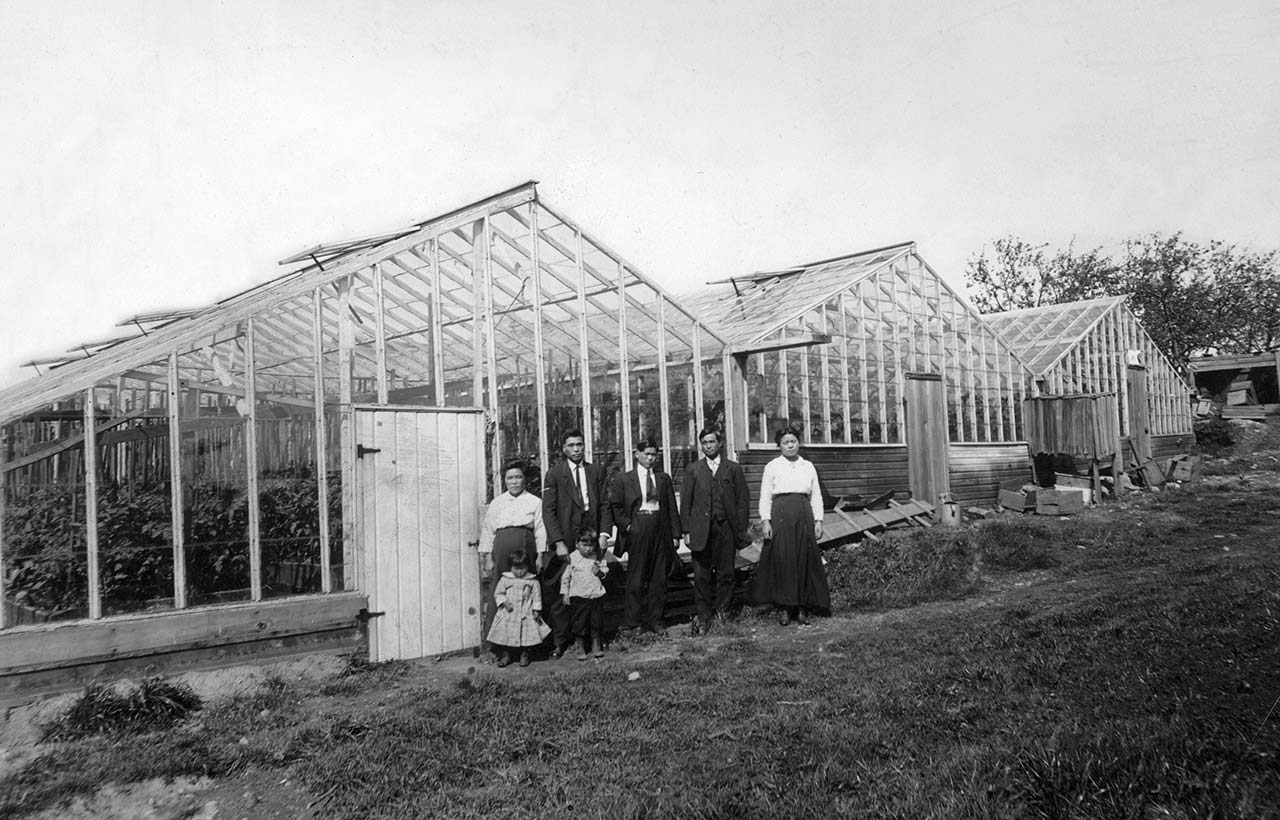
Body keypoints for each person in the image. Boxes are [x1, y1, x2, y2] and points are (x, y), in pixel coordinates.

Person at [541, 429, 613, 658]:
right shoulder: (554, 474)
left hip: (590, 538)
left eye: (579, 444)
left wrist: (603, 534)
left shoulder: (595, 471)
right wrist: (559, 542)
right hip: (566, 538)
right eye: (571, 445)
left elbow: (604, 504)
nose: (576, 449)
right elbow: (548, 511)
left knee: (592, 587)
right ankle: (562, 641)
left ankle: (594, 638)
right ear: (564, 449)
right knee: (563, 591)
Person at [752, 427, 831, 625]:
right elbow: (765, 496)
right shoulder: (772, 466)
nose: (790, 445)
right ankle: (785, 608)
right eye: (785, 442)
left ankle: (802, 607)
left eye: (793, 441)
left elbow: (816, 496)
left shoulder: (808, 466)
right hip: (780, 514)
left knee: (804, 559)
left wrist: (818, 521)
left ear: (799, 443)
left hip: (804, 513)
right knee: (784, 560)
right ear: (779, 445)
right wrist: (765, 521)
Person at [680, 427, 750, 633]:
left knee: (726, 573)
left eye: (712, 442)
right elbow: (686, 503)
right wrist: (686, 531)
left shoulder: (733, 469)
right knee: (701, 575)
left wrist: (739, 529)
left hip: (726, 528)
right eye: (704, 443)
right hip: (701, 530)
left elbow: (743, 502)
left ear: (720, 443)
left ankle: (723, 612)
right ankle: (704, 615)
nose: (708, 446)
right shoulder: (693, 470)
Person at [611, 438, 681, 635]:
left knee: (658, 576)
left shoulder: (663, 478)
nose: (650, 458)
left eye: (654, 454)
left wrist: (675, 535)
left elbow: (671, 508)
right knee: (637, 575)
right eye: (647, 454)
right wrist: (629, 526)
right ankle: (633, 622)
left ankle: (655, 620)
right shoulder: (624, 479)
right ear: (637, 454)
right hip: (638, 525)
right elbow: (615, 507)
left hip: (660, 525)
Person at [479, 460, 547, 650]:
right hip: (501, 547)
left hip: (526, 547)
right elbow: (488, 530)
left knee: (528, 590)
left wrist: (540, 555)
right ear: (505, 480)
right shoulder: (498, 502)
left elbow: (540, 530)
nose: (514, 482)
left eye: (518, 477)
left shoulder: (535, 502)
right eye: (510, 478)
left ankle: (529, 643)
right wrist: (487, 556)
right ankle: (498, 645)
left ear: (524, 479)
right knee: (500, 589)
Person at [487, 551, 549, 668]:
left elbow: (537, 596)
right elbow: (498, 593)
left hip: (526, 613)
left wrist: (536, 609)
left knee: (526, 636)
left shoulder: (532, 581)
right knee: (506, 635)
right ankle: (506, 655)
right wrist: (504, 602)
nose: (519, 572)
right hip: (509, 613)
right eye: (516, 568)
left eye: (522, 568)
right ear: (511, 567)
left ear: (527, 567)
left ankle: (524, 655)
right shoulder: (506, 579)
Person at [560, 527, 609, 660]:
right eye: (584, 545)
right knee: (579, 622)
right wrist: (565, 593)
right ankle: (580, 645)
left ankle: (595, 644)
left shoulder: (598, 556)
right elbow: (566, 578)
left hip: (595, 595)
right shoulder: (572, 558)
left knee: (596, 622)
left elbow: (605, 573)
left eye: (591, 545)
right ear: (577, 544)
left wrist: (598, 572)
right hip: (579, 596)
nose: (588, 549)